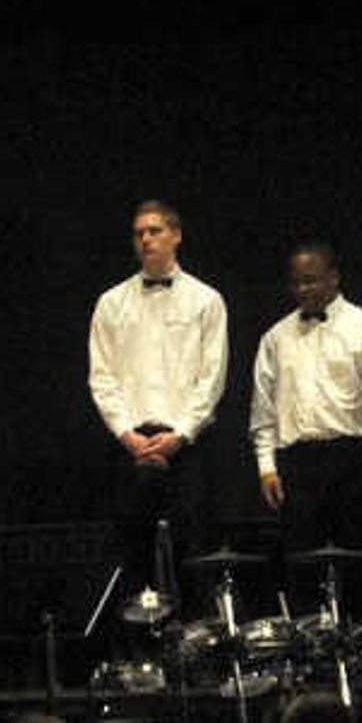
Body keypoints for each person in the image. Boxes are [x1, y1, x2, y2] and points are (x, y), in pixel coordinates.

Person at [88, 198, 231, 585]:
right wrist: (126, 435)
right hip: (131, 442)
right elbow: (102, 377)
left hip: (188, 443)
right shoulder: (111, 303)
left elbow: (212, 376)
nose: (146, 239)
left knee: (195, 551)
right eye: (139, 233)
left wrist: (182, 433)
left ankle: (197, 641)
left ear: (176, 236)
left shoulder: (207, 300)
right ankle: (134, 645)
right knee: (130, 553)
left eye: (155, 231)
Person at [250, 240, 362, 622]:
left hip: (354, 454)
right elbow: (263, 408)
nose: (303, 290)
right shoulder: (276, 338)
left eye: (311, 281)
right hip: (298, 460)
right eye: (296, 283)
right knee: (302, 561)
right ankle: (312, 653)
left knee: (359, 556)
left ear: (334, 278)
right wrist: (266, 466)